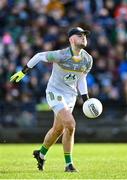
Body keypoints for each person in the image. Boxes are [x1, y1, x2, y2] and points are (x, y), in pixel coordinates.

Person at [10, 27, 93, 172]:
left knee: (58, 130)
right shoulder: (61, 55)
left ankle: (40, 154)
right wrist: (23, 72)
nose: (84, 38)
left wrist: (86, 99)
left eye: (85, 36)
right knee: (71, 124)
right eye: (80, 36)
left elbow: (82, 79)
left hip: (70, 96)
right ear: (72, 39)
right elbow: (39, 56)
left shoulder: (88, 59)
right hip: (55, 93)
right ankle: (69, 165)